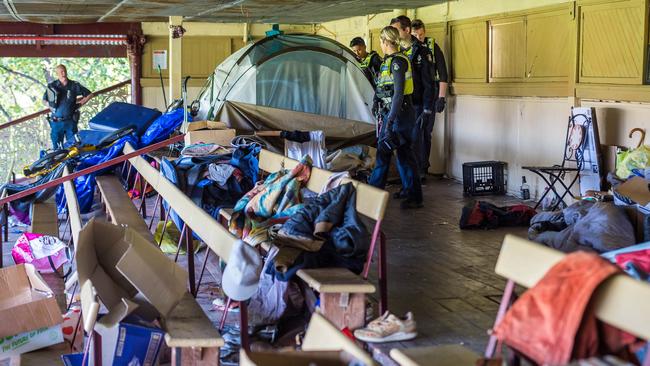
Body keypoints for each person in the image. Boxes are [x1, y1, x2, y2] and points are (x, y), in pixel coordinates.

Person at [368, 26, 423, 209]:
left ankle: (374, 194)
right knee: (401, 154)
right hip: (390, 113)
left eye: (381, 41)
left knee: (393, 153)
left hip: (400, 114)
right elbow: (383, 87)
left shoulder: (398, 62)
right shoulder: (387, 62)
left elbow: (398, 94)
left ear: (385, 41)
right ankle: (410, 192)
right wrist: (376, 100)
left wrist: (390, 121)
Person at [389, 15, 434, 199]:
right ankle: (407, 186)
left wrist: (427, 109)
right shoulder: (398, 51)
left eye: (396, 29)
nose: (394, 34)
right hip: (402, 107)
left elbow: (429, 83)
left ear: (406, 30)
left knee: (413, 148)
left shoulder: (421, 52)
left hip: (416, 106)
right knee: (402, 148)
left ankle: (415, 192)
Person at [411, 19, 448, 177]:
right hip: (412, 96)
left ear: (424, 32)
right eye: (415, 35)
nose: (419, 38)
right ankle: (412, 167)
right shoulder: (407, 49)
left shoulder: (432, 46)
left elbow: (443, 73)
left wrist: (441, 98)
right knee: (413, 133)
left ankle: (423, 168)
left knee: (425, 132)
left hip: (430, 95)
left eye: (421, 34)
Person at [42, 64, 93, 149]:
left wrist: (80, 104)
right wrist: (51, 107)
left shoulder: (74, 85)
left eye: (64, 71)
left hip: (70, 121)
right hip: (56, 122)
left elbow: (90, 94)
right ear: (57, 74)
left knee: (74, 146)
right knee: (57, 148)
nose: (63, 73)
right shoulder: (52, 86)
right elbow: (44, 100)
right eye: (61, 72)